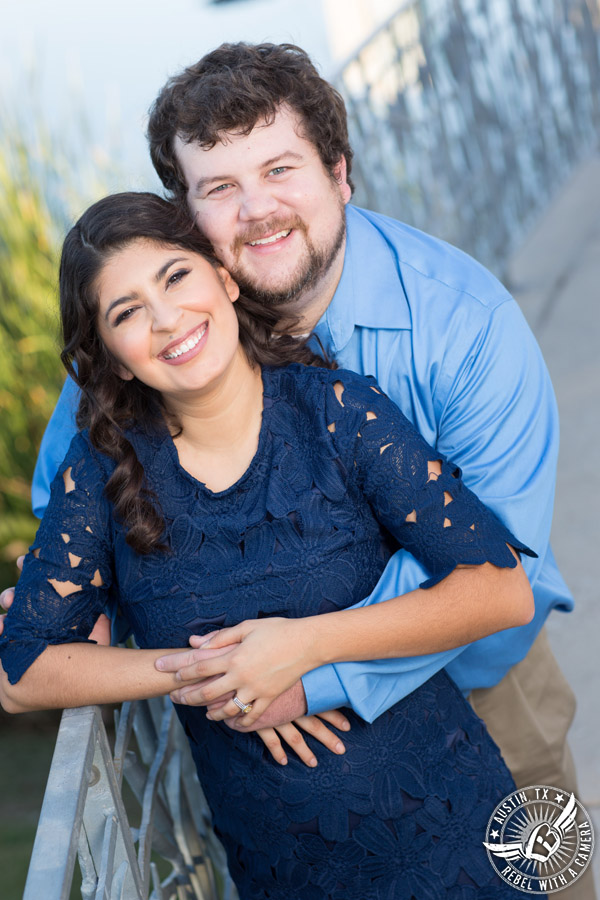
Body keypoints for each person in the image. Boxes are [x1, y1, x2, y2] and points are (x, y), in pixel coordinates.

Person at [7, 43, 578, 789]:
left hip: (481, 688)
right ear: (186, 212)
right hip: (268, 744)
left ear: (339, 175)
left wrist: (309, 668)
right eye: (219, 187)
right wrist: (91, 602)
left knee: (544, 869)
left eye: (281, 170)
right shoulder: (158, 341)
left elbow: (503, 565)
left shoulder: (470, 331)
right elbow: (73, 507)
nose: (257, 210)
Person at [0, 191, 537, 898]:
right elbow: (24, 673)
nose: (166, 320)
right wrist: (217, 674)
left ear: (225, 279)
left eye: (175, 277)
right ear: (116, 359)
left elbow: (501, 590)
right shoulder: (102, 470)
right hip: (284, 868)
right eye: (126, 313)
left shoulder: (340, 413)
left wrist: (304, 647)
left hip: (454, 828)